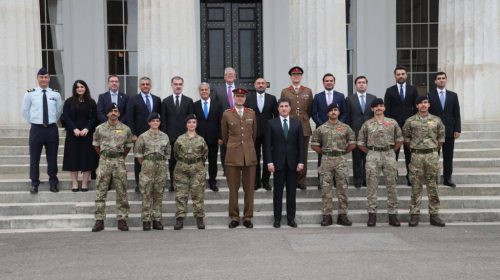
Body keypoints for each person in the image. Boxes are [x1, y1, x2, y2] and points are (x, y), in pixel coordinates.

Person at [357, 98, 403, 227]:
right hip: (373, 155)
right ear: (372, 109)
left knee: (392, 185)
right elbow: (360, 142)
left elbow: (399, 139)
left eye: (381, 106)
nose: (378, 108)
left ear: (384, 108)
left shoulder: (392, 122)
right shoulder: (367, 124)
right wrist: (371, 152)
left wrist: (391, 151)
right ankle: (372, 215)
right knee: (372, 186)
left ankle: (393, 215)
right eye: (376, 106)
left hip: (389, 155)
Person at [403, 96, 446, 227]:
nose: (423, 105)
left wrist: (432, 149)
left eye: (425, 102)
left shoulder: (436, 120)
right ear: (416, 106)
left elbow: (441, 138)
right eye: (420, 103)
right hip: (416, 156)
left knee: (433, 185)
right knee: (416, 186)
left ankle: (434, 215)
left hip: (432, 155)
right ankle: (414, 214)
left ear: (429, 105)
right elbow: (406, 139)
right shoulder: (410, 121)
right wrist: (417, 148)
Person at [311, 103, 356, 227]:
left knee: (343, 189)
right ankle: (327, 216)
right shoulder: (321, 128)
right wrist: (326, 153)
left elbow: (352, 143)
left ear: (339, 112)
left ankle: (343, 215)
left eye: (336, 110)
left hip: (341, 160)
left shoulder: (346, 128)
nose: (333, 112)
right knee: (326, 190)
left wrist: (341, 153)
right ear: (327, 113)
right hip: (326, 160)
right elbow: (314, 144)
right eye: (331, 110)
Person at [91, 103, 132, 232]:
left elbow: (128, 145)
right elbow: (96, 145)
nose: (113, 113)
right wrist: (105, 155)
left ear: (119, 113)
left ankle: (122, 219)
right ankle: (99, 220)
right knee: (100, 191)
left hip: (119, 162)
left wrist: (119, 156)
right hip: (104, 161)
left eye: (115, 111)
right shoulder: (100, 128)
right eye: (111, 111)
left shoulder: (125, 129)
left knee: (122, 191)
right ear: (107, 114)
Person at [264, 97, 304, 228]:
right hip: (278, 163)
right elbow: (267, 145)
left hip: (293, 164)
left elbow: (301, 145)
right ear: (278, 109)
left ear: (290, 108)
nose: (284, 108)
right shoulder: (271, 123)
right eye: (281, 106)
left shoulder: (297, 123)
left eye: (286, 106)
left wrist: (301, 162)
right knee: (278, 193)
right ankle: (277, 219)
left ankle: (291, 219)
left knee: (291, 193)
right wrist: (269, 162)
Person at [21, 67, 62, 193]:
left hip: (51, 129)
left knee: (52, 157)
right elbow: (25, 111)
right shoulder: (30, 93)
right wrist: (34, 122)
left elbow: (59, 111)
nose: (44, 79)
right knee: (34, 157)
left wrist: (51, 121)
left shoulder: (55, 94)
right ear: (37, 78)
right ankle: (34, 182)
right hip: (36, 129)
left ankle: (53, 182)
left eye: (46, 77)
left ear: (49, 79)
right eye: (41, 77)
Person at [221, 88, 257, 228]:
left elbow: (254, 134)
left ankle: (247, 216)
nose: (240, 98)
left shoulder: (251, 113)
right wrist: (233, 146)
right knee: (233, 188)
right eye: (237, 96)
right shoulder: (227, 114)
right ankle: (234, 217)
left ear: (245, 98)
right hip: (233, 155)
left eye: (242, 96)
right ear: (233, 98)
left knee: (249, 189)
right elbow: (225, 136)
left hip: (249, 155)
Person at [134, 112, 170, 231]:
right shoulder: (142, 136)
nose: (155, 123)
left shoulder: (165, 136)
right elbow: (139, 154)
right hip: (147, 166)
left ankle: (157, 219)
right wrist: (145, 164)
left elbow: (167, 153)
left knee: (158, 194)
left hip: (161, 167)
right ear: (149, 122)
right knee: (147, 194)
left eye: (157, 121)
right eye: (153, 121)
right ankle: (146, 220)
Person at [172, 114, 208, 230]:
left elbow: (204, 154)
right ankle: (180, 218)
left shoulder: (201, 139)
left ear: (196, 124)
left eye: (193, 122)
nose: (191, 124)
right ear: (186, 124)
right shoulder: (180, 139)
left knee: (198, 194)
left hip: (197, 169)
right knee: (181, 195)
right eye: (189, 122)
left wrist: (196, 163)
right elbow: (176, 154)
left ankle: (199, 218)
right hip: (181, 169)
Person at [312, 73, 347, 189]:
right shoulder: (318, 96)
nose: (329, 82)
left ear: (334, 82)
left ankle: (336, 180)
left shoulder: (341, 96)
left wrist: (338, 124)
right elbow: (314, 113)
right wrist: (324, 126)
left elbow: (344, 112)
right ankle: (321, 180)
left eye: (331, 80)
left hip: (338, 131)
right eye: (326, 81)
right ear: (323, 83)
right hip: (323, 131)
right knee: (321, 156)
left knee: (337, 155)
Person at [384, 66, 418, 186]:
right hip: (394, 127)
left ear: (406, 75)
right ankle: (393, 177)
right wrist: (388, 126)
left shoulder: (413, 89)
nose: (401, 76)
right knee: (394, 154)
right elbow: (386, 110)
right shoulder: (390, 90)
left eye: (403, 74)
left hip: (410, 127)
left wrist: (415, 123)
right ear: (395, 76)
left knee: (410, 154)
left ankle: (411, 177)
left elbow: (416, 107)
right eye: (398, 74)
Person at [126, 77, 161, 192]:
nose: (145, 86)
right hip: (139, 136)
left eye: (147, 84)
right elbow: (130, 118)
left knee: (154, 159)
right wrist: (133, 134)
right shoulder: (133, 99)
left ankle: (153, 182)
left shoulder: (157, 99)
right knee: (139, 160)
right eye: (143, 84)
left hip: (154, 136)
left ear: (150, 86)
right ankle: (139, 184)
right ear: (140, 86)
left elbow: (160, 118)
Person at [62, 80, 98, 192]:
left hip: (87, 135)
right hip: (73, 135)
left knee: (87, 159)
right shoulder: (69, 102)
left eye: (82, 86)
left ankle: (85, 183)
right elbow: (65, 117)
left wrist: (87, 128)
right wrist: (74, 129)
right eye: (77, 87)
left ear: (85, 88)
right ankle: (74, 183)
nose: (80, 89)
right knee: (73, 158)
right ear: (75, 89)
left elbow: (94, 118)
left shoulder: (91, 102)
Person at [280, 66, 313, 190]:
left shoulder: (308, 91)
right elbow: (282, 107)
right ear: (291, 77)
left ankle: (301, 180)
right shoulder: (285, 91)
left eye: (298, 74)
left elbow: (310, 109)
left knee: (303, 154)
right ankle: (290, 179)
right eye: (294, 75)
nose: (296, 76)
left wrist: (304, 119)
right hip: (289, 125)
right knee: (289, 153)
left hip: (304, 126)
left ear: (301, 76)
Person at [160, 76, 194, 192]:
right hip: (171, 137)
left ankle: (185, 183)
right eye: (176, 84)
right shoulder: (165, 101)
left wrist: (190, 135)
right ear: (172, 85)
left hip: (185, 138)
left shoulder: (189, 101)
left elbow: (191, 121)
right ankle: (173, 184)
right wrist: (165, 137)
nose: (178, 86)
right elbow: (163, 121)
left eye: (180, 84)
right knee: (172, 163)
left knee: (186, 162)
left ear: (182, 85)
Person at [428, 71, 461, 187]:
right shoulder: (430, 95)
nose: (441, 80)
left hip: (449, 131)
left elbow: (457, 114)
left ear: (446, 80)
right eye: (439, 78)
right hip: (434, 132)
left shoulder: (453, 95)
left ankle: (448, 179)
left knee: (448, 157)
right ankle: (433, 179)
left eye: (443, 78)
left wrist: (457, 129)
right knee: (433, 157)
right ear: (435, 81)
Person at [244, 77, 278, 191]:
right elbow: (245, 116)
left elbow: (276, 116)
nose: (261, 85)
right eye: (258, 83)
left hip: (269, 133)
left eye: (263, 83)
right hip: (254, 133)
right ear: (254, 85)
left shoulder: (272, 98)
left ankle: (266, 181)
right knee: (255, 157)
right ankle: (256, 181)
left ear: (266, 85)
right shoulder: (248, 98)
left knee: (268, 156)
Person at [345, 76, 376, 188]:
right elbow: (347, 117)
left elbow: (375, 116)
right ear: (355, 85)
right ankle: (357, 180)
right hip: (355, 133)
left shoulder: (373, 98)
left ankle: (367, 180)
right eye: (359, 83)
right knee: (357, 159)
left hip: (370, 133)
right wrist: (349, 135)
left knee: (369, 159)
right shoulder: (349, 99)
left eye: (363, 82)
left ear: (366, 84)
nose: (361, 84)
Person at [193, 82, 223, 192]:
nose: (204, 91)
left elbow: (221, 121)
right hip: (199, 139)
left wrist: (221, 136)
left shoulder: (217, 105)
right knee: (199, 161)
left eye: (206, 89)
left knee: (213, 161)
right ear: (199, 91)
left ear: (209, 91)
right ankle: (199, 181)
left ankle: (212, 181)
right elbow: (192, 122)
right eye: (202, 90)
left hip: (213, 137)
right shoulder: (194, 105)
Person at [212, 67, 238, 175]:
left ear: (235, 76)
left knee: (237, 146)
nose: (230, 76)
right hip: (223, 123)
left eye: (232, 74)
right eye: (228, 74)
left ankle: (237, 166)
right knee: (224, 148)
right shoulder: (217, 90)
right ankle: (226, 169)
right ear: (224, 77)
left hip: (238, 122)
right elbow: (214, 108)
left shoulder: (241, 88)